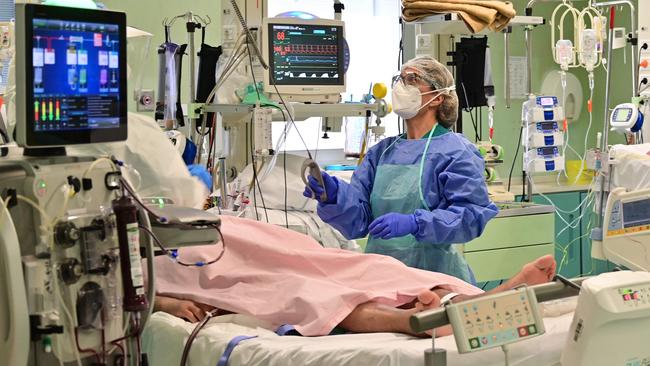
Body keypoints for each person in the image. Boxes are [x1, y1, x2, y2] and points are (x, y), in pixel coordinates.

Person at [149, 215, 556, 337]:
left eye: (414, 78)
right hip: (213, 267)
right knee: (307, 292)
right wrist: (165, 302)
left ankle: (473, 299)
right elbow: (129, 290)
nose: (405, 82)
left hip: (239, 235)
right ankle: (414, 320)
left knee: (377, 267)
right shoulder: (121, 240)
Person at [302, 56, 498, 283]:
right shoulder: (382, 153)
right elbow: (359, 221)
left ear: (437, 97)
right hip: (381, 277)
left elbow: (471, 217)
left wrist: (415, 223)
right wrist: (334, 196)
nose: (401, 87)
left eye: (412, 79)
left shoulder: (456, 151)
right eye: (400, 79)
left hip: (435, 278)